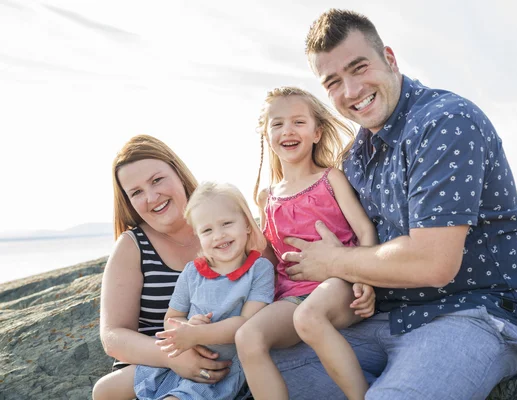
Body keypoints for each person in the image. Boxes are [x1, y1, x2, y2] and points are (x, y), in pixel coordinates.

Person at [271, 9, 517, 399]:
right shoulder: (356, 156)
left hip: (473, 311)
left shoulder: (445, 122)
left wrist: (332, 261)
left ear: (390, 58)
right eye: (333, 82)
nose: (350, 91)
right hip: (385, 318)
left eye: (359, 67)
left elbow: (433, 262)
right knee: (251, 362)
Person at [234, 86, 378, 400]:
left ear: (316, 133)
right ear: (266, 135)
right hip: (292, 296)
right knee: (247, 336)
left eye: (299, 122)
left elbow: (365, 230)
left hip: (340, 285)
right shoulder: (266, 197)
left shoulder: (330, 179)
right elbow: (270, 255)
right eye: (277, 123)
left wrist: (365, 279)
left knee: (308, 316)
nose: (287, 130)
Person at [93, 136, 237, 399]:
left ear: (178, 173)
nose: (151, 197)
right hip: (151, 374)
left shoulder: (225, 226)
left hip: (228, 362)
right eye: (136, 192)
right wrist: (172, 356)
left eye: (157, 180)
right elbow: (112, 336)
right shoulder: (131, 247)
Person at [133, 181, 275, 400]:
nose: (218, 235)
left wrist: (197, 334)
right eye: (207, 230)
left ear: (247, 224)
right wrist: (187, 328)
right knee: (105, 390)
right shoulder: (193, 272)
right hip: (183, 356)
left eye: (226, 223)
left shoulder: (259, 269)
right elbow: (172, 318)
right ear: (198, 236)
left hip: (216, 371)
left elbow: (246, 323)